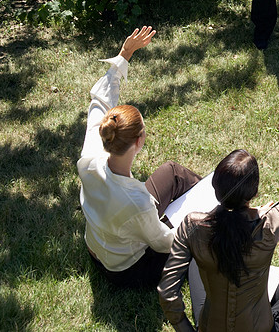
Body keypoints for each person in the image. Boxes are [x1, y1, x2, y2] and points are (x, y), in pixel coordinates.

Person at [158, 77, 279, 332]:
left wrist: (186, 329)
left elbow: (167, 292)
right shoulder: (269, 224)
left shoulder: (192, 226)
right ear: (254, 192)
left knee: (196, 261)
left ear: (215, 188)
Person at [78, 26, 202, 288]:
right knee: (195, 241)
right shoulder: (138, 202)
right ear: (139, 142)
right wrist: (194, 225)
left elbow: (99, 102)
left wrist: (125, 53)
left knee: (172, 172)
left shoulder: (90, 156)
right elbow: (163, 243)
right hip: (124, 270)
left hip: (97, 245)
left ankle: (212, 191)